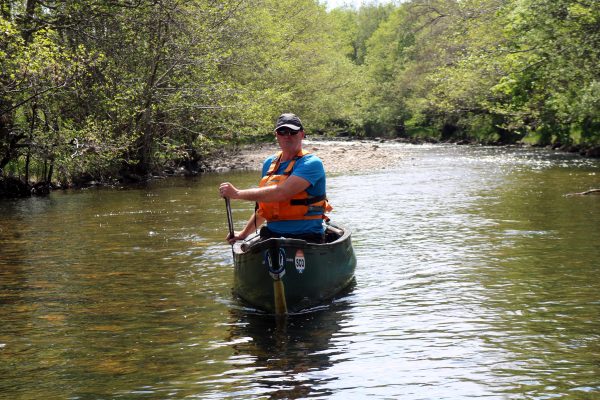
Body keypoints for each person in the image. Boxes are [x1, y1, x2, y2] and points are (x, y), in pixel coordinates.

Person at [219, 113, 331, 244]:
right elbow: (265, 207)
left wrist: (237, 194)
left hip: (307, 237)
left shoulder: (312, 163)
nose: (287, 136)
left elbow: (281, 193)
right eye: (282, 131)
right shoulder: (269, 164)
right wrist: (244, 234)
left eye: (292, 132)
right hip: (272, 236)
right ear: (276, 135)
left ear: (302, 134)